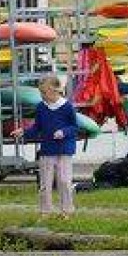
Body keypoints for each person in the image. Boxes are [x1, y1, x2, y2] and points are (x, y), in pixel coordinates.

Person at [15, 75, 78, 218]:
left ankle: (67, 210)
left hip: (64, 150)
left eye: (44, 92)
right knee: (45, 183)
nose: (42, 96)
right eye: (41, 93)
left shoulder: (67, 107)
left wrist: (64, 132)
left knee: (64, 181)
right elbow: (37, 127)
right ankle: (45, 212)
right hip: (47, 150)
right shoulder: (41, 107)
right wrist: (23, 132)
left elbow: (74, 127)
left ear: (55, 91)